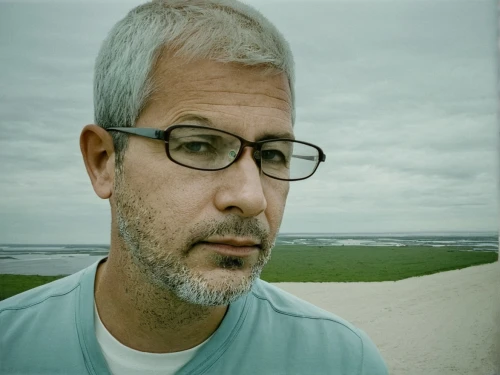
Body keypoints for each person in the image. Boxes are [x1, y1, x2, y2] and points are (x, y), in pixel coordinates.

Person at [0, 1, 388, 374]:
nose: (251, 198)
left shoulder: (342, 362)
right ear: (104, 161)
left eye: (271, 155)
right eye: (199, 145)